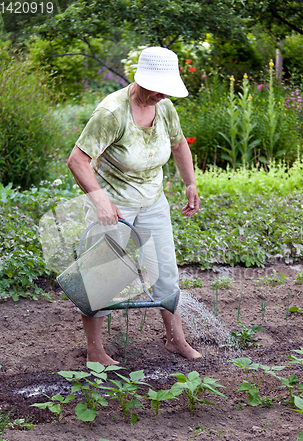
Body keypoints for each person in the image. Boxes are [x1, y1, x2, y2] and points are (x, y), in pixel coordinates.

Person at [67, 46, 202, 365]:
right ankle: (96, 351)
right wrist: (100, 199)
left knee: (166, 275)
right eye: (159, 88)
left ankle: (175, 340)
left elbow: (179, 143)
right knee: (101, 278)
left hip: (153, 203)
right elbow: (77, 160)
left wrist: (190, 183)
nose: (164, 96)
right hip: (114, 207)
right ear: (142, 80)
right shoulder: (112, 112)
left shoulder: (165, 108)